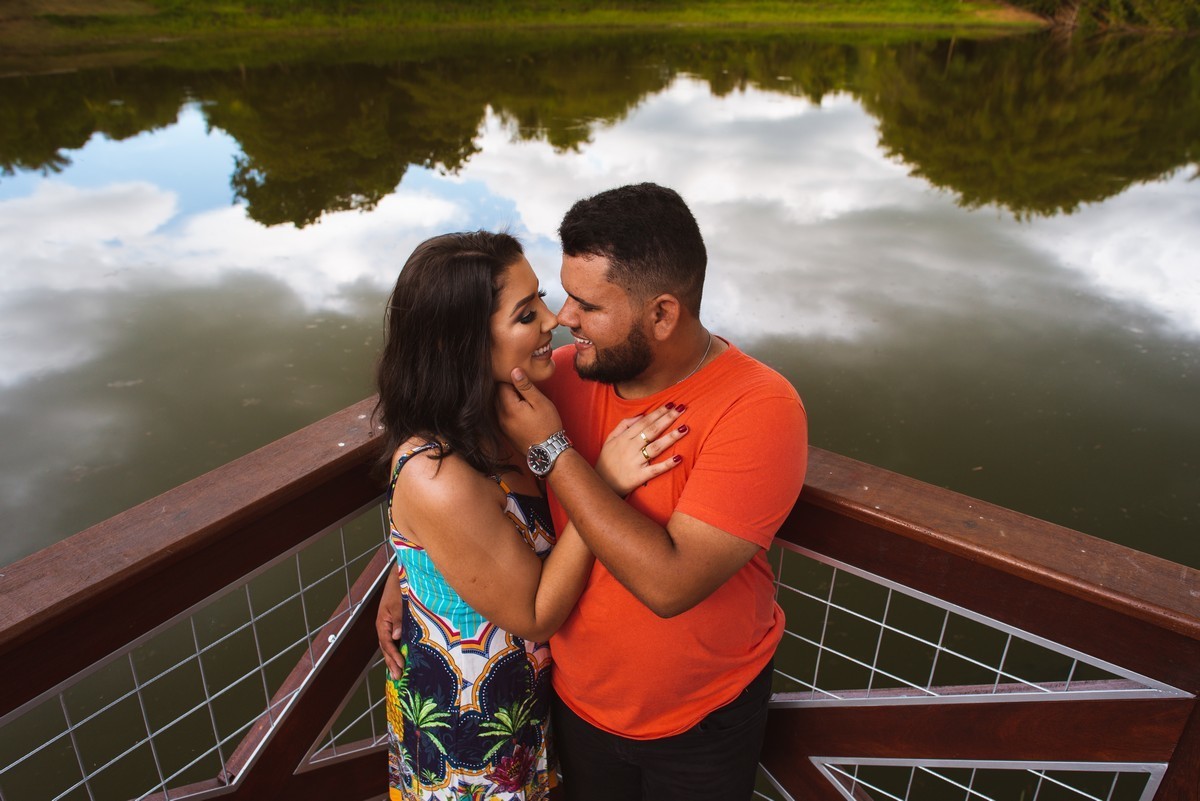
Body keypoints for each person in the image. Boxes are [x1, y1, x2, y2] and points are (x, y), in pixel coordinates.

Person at [496, 183, 808, 801]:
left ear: (663, 314)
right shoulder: (555, 381)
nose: (563, 319)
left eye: (588, 305)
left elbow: (671, 586)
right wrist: (406, 572)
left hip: (705, 718)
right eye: (563, 296)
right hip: (574, 700)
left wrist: (556, 453)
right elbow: (452, 458)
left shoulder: (759, 408)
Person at [373, 231, 686, 801]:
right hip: (473, 741)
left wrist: (399, 575)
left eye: (540, 299)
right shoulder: (437, 475)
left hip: (534, 710)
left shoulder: (514, 415)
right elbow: (535, 613)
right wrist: (603, 482)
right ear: (458, 344)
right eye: (525, 315)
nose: (554, 321)